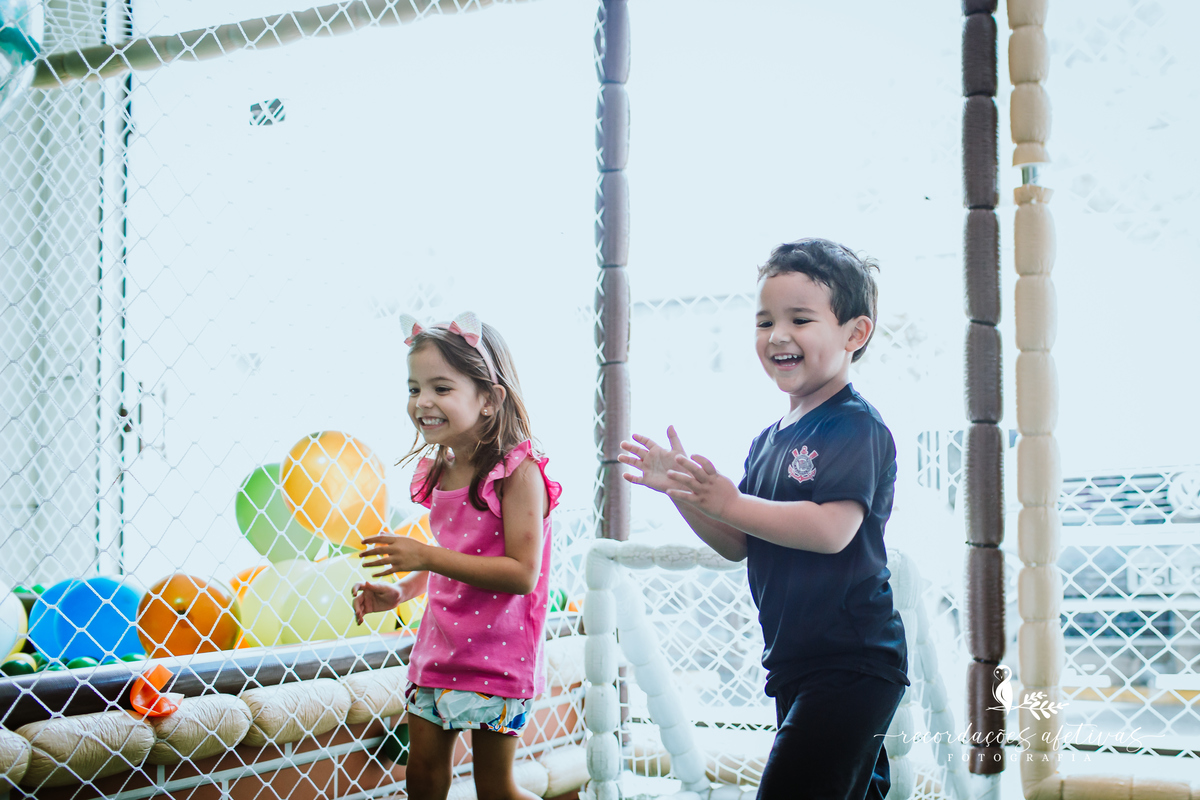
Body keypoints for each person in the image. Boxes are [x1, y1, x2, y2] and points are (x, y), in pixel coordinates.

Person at [618, 239, 908, 800]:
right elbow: (738, 542)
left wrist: (728, 501)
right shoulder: (768, 441)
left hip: (851, 661)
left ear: (855, 333)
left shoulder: (854, 427)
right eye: (764, 320)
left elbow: (831, 531)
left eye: (799, 319)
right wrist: (687, 494)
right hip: (796, 661)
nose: (777, 334)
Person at [352, 311, 561, 800]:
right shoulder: (441, 468)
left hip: (500, 655)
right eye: (414, 388)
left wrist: (424, 557)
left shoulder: (518, 472)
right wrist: (401, 590)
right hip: (441, 645)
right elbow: (455, 554)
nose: (423, 402)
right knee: (422, 777)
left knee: (495, 789)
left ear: (489, 399)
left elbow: (521, 574)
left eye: (441, 388)